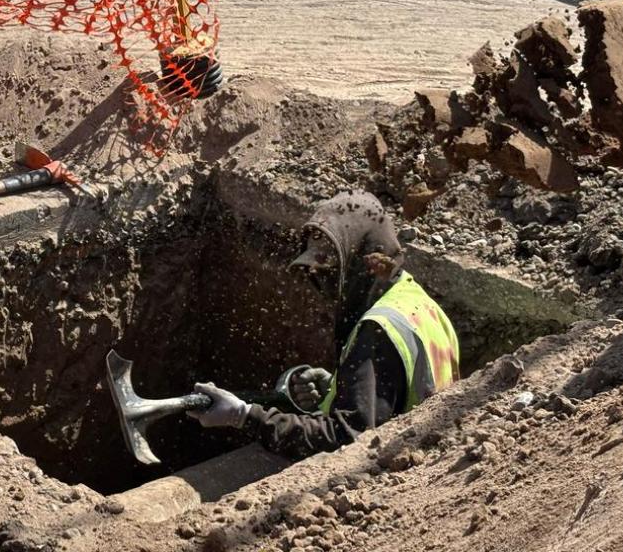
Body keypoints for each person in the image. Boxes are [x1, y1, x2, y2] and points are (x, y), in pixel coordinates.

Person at [187, 191, 461, 459]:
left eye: (331, 270)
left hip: (394, 477)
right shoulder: (415, 301)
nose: (323, 285)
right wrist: (339, 385)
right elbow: (396, 390)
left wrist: (246, 416)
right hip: (428, 457)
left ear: (365, 261)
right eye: (316, 272)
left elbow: (349, 440)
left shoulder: (375, 331)